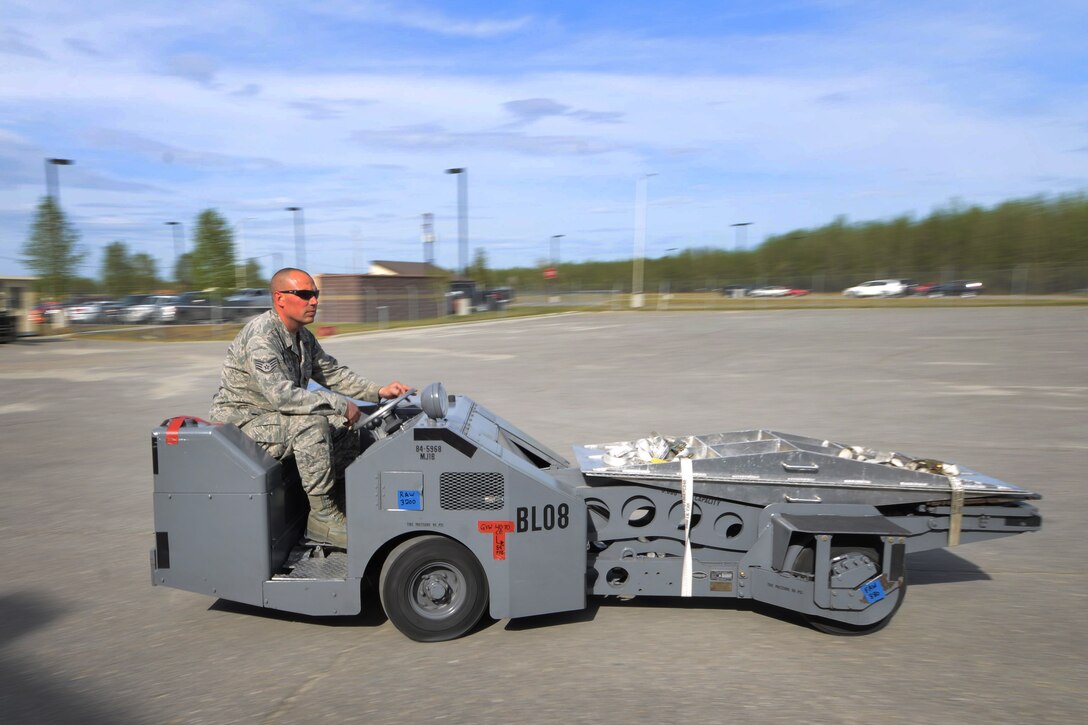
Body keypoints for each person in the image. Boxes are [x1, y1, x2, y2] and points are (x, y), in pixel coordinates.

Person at [209, 267, 410, 547]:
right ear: (280, 299)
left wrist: (378, 391)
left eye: (315, 294)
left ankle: (339, 500)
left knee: (344, 424)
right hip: (244, 425)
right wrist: (338, 404)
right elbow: (282, 396)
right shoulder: (261, 337)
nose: (314, 301)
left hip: (275, 420)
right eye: (304, 295)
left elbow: (332, 373)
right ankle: (323, 518)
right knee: (312, 424)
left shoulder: (303, 337)